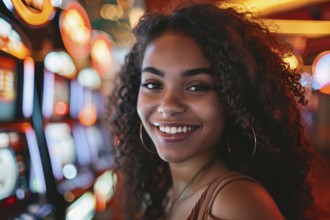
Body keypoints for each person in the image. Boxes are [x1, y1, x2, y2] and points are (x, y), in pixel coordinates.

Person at [107, 1, 315, 219]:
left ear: (233, 99)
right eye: (153, 85)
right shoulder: (163, 189)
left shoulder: (236, 202)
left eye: (196, 87)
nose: (168, 106)